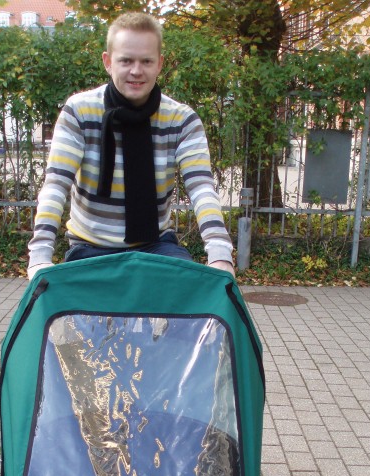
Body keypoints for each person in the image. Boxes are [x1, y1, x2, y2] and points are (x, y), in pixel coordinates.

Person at [27, 12, 234, 280]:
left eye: (146, 61)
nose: (136, 71)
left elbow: (202, 188)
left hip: (155, 246)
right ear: (108, 62)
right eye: (126, 60)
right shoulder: (79, 111)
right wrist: (39, 257)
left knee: (192, 292)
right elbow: (56, 184)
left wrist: (220, 255)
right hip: (90, 247)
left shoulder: (181, 119)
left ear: (159, 64)